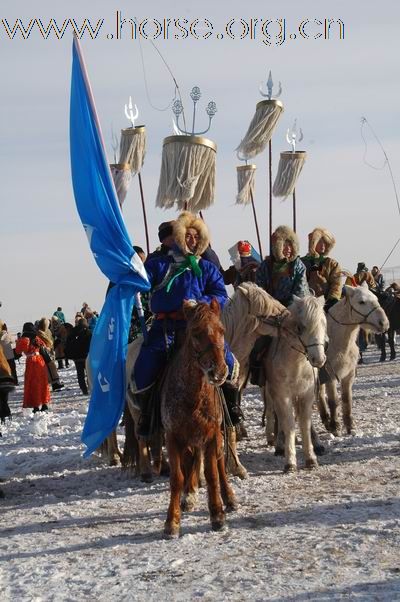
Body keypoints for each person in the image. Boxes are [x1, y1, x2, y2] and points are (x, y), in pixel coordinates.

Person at [131, 211, 240, 438]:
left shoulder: (206, 267)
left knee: (228, 361)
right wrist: (133, 267)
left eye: (196, 237)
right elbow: (141, 281)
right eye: (188, 236)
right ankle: (148, 416)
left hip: (199, 328)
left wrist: (201, 303)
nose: (192, 240)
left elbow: (220, 294)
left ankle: (231, 410)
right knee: (145, 365)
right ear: (180, 237)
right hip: (167, 328)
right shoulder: (160, 265)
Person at [256, 225, 310, 306]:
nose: (288, 249)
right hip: (269, 308)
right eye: (284, 245)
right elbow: (259, 290)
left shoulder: (297, 265)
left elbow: (301, 291)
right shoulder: (265, 266)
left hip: (293, 308)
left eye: (290, 245)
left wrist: (290, 307)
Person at [301, 227, 342, 311]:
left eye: (325, 243)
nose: (323, 245)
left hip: (326, 304)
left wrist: (332, 300)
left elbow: (336, 284)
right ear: (313, 243)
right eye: (320, 242)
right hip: (305, 304)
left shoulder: (332, 264)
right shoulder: (301, 262)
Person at [15, 322, 52, 412]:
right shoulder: (37, 338)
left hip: (31, 362)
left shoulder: (25, 339)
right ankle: (44, 404)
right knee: (42, 382)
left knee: (33, 383)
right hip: (40, 360)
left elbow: (18, 351)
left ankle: (36, 405)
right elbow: (45, 346)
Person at [65, 318, 92, 395]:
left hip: (77, 358)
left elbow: (68, 344)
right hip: (86, 356)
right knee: (89, 374)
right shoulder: (88, 332)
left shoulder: (72, 332)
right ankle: (90, 387)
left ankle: (84, 389)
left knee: (80, 375)